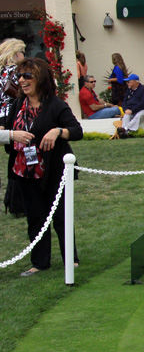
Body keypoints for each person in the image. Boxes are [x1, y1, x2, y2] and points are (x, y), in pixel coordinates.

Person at [3, 57, 82, 276]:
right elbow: (8, 131)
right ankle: (39, 262)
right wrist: (11, 135)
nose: (22, 80)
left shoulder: (55, 104)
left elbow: (76, 131)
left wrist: (57, 131)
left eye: (27, 75)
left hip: (54, 170)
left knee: (60, 216)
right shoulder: (17, 105)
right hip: (24, 171)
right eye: (20, 76)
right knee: (35, 217)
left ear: (40, 78)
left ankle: (71, 259)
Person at [0, 38, 27, 119]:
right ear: (17, 53)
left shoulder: (1, 70)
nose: (24, 56)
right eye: (23, 53)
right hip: (13, 113)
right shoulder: (17, 70)